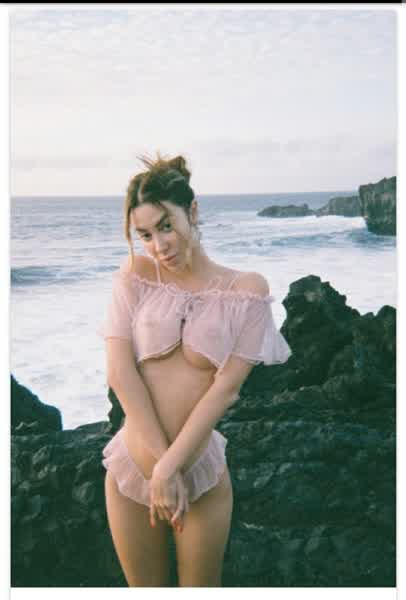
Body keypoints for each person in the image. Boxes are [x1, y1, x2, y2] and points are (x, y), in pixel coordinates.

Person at [98, 152, 292, 587]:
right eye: (145, 234)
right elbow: (120, 373)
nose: (158, 245)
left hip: (199, 471)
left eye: (166, 226)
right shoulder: (135, 275)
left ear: (193, 212)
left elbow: (226, 389)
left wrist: (170, 468)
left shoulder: (246, 290)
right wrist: (158, 468)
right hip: (131, 467)